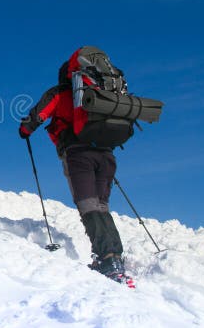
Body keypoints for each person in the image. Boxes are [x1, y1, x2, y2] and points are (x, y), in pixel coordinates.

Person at [19, 59, 129, 283]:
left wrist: (25, 129)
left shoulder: (60, 93)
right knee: (101, 206)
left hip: (79, 155)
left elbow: (37, 117)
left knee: (89, 206)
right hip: (106, 155)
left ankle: (108, 259)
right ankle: (114, 256)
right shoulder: (102, 93)